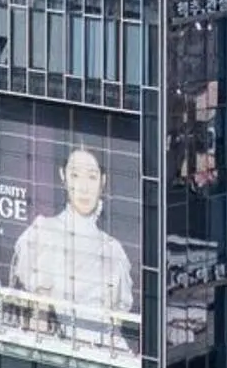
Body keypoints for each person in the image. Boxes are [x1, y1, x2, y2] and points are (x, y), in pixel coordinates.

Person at [9, 143, 135, 352]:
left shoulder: (114, 250)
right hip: (56, 351)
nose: (84, 188)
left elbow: (118, 319)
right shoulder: (43, 232)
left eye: (92, 177)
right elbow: (37, 311)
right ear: (63, 176)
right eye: (75, 175)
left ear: (103, 181)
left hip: (108, 355)